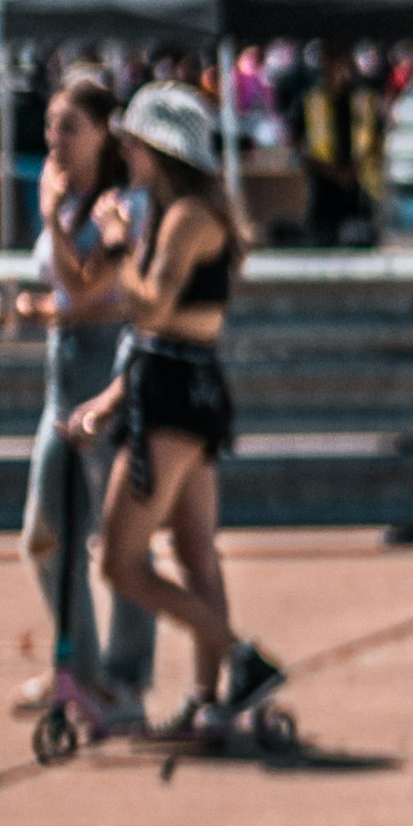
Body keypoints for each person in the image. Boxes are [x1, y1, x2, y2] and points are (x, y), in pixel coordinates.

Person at [69, 80, 284, 740]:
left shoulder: (189, 216)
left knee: (119, 561)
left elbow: (150, 308)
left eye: (134, 143)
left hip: (174, 393)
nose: (125, 152)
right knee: (195, 554)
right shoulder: (177, 212)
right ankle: (209, 695)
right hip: (178, 383)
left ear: (159, 151)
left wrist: (113, 243)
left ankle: (240, 659)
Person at [0, 69, 156, 724]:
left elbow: (89, 290)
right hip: (62, 377)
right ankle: (78, 670)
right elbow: (64, 299)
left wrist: (51, 214)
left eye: (69, 126)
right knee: (46, 535)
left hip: (106, 374)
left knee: (120, 540)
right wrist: (21, 311)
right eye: (52, 124)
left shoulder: (122, 208)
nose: (54, 137)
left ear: (102, 134)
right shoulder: (69, 202)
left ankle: (126, 679)